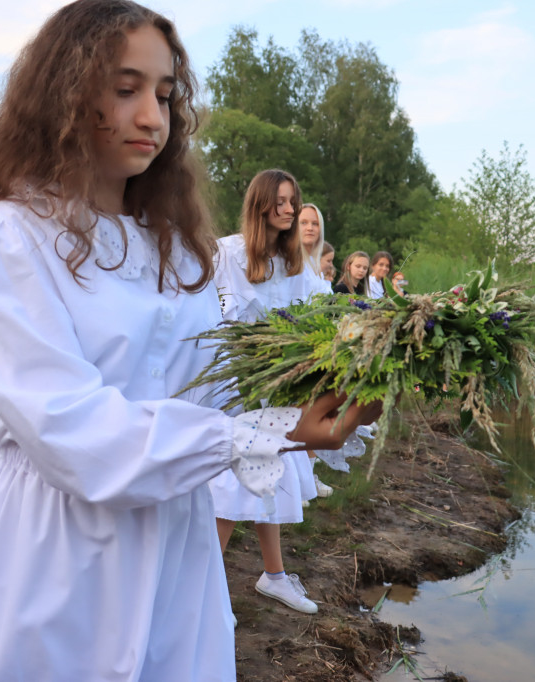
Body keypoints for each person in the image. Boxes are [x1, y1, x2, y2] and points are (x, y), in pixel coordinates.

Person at [0, 4, 374, 679]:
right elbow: (70, 430)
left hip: (175, 547)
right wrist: (247, 438)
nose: (151, 117)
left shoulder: (177, 251)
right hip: (61, 550)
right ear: (63, 93)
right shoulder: (8, 235)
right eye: (124, 88)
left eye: (164, 95)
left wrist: (311, 408)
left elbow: (209, 398)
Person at [209, 169, 366, 616]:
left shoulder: (294, 261)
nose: (289, 209)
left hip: (272, 387)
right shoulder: (228, 252)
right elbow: (205, 309)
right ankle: (203, 590)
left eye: (293, 201)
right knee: (230, 486)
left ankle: (274, 576)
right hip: (231, 384)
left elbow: (324, 302)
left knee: (267, 480)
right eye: (280, 201)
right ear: (259, 204)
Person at [298, 202, 331, 294]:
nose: (310, 228)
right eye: (304, 223)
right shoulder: (290, 263)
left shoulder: (314, 264)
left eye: (315, 223)